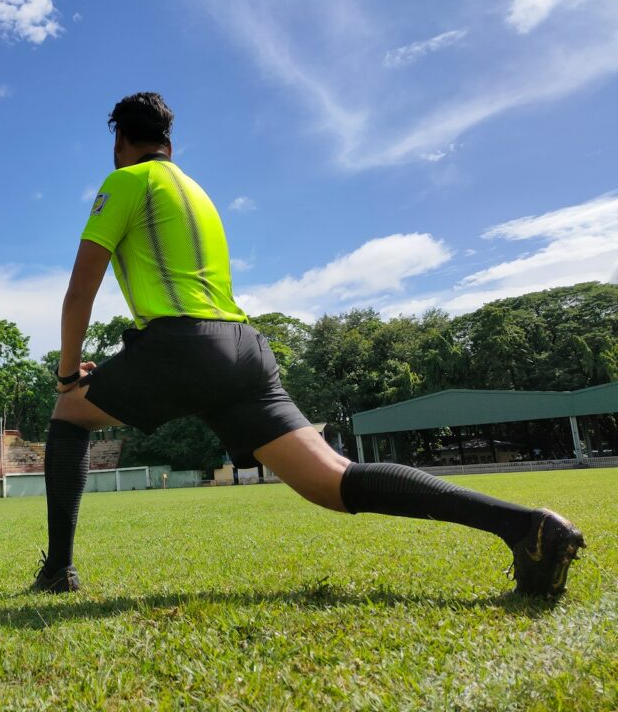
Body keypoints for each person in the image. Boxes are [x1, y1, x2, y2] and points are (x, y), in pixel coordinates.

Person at [32, 91, 585, 598]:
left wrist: (66, 376)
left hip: (184, 343)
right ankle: (524, 527)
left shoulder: (127, 180)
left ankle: (59, 569)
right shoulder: (197, 193)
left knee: (68, 412)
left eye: (116, 144)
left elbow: (80, 291)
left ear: (121, 142)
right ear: (170, 145)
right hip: (244, 348)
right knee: (333, 480)